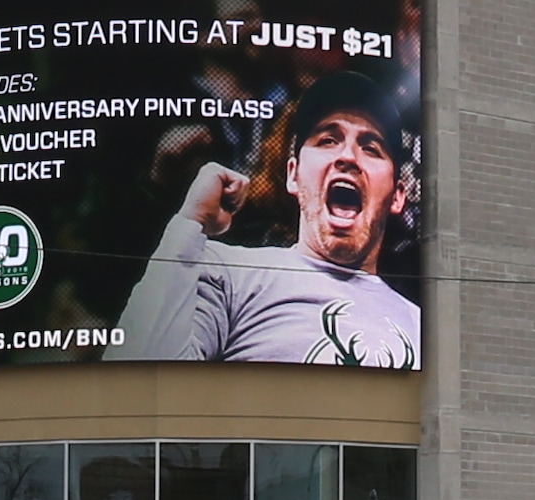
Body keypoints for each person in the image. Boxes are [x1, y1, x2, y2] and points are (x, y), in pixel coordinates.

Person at [116, 58, 422, 366]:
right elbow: (139, 373)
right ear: (293, 175)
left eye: (371, 148)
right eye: (328, 140)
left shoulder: (423, 328)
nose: (348, 156)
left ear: (397, 197)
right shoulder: (230, 273)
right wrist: (189, 225)